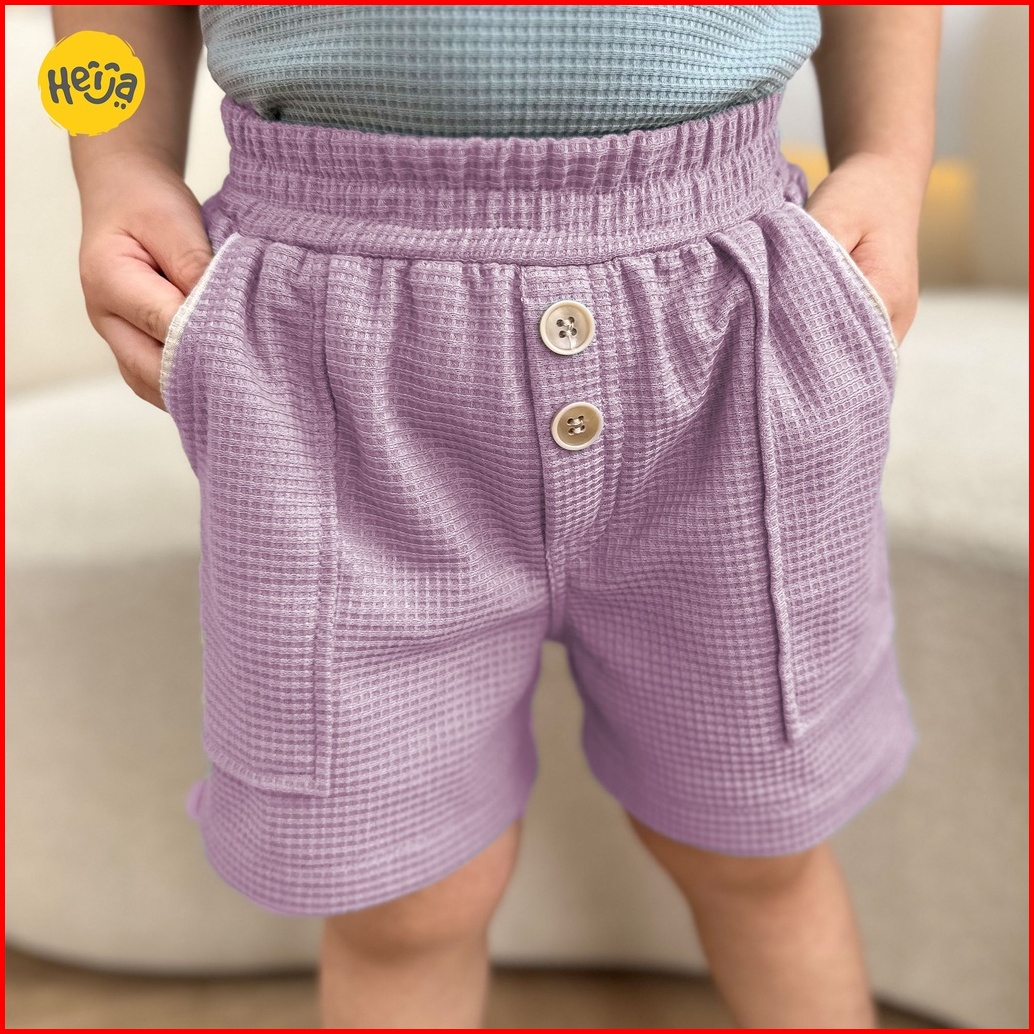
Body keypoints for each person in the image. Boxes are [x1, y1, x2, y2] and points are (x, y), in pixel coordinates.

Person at [53, 5, 941, 1028]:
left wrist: (890, 159)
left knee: (761, 848)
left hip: (727, 324)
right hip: (324, 351)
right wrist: (112, 159)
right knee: (399, 898)